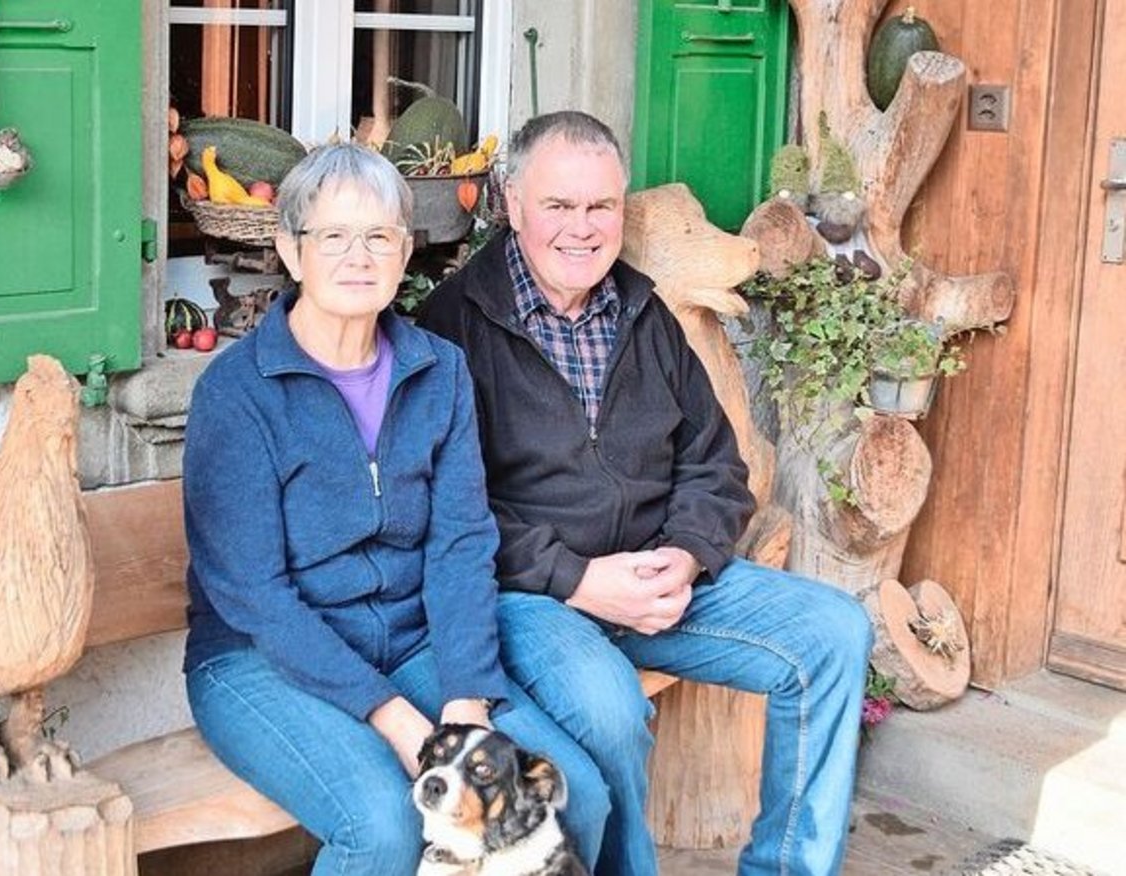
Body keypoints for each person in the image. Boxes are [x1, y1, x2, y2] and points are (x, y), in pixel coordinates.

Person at [418, 111, 874, 876]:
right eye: (559, 206)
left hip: (660, 582)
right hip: (533, 597)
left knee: (833, 632)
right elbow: (446, 509)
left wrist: (687, 556)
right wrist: (580, 578)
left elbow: (715, 463)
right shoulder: (453, 327)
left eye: (600, 207)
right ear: (514, 203)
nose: (582, 228)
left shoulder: (642, 312)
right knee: (608, 709)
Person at [181, 142, 610, 875]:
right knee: (380, 825)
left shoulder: (438, 372)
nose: (358, 257)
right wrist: (393, 716)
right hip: (259, 660)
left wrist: (468, 697)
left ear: (404, 250)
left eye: (379, 236)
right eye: (333, 237)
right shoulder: (238, 392)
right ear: (291, 249)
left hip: (410, 642)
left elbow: (460, 544)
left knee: (575, 798)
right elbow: (256, 595)